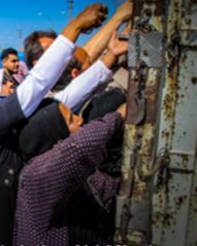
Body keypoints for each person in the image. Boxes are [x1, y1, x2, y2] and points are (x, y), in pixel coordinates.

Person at [0, 2, 109, 246]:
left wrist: (110, 58)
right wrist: (75, 27)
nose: (13, 88)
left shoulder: (17, 134)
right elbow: (35, 86)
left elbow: (63, 103)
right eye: (7, 85)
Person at [13, 105, 126, 245]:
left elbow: (107, 193)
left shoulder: (83, 173)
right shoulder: (34, 176)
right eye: (71, 120)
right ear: (54, 134)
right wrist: (119, 116)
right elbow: (80, 147)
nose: (80, 120)